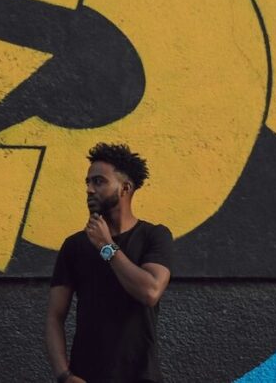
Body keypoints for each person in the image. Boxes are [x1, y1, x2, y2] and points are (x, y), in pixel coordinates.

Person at [45, 142, 174, 383]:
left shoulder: (154, 236)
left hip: (141, 376)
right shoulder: (74, 246)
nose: (89, 189)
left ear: (125, 188)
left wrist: (106, 247)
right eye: (88, 182)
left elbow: (150, 291)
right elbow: (54, 316)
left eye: (99, 181)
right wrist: (64, 375)